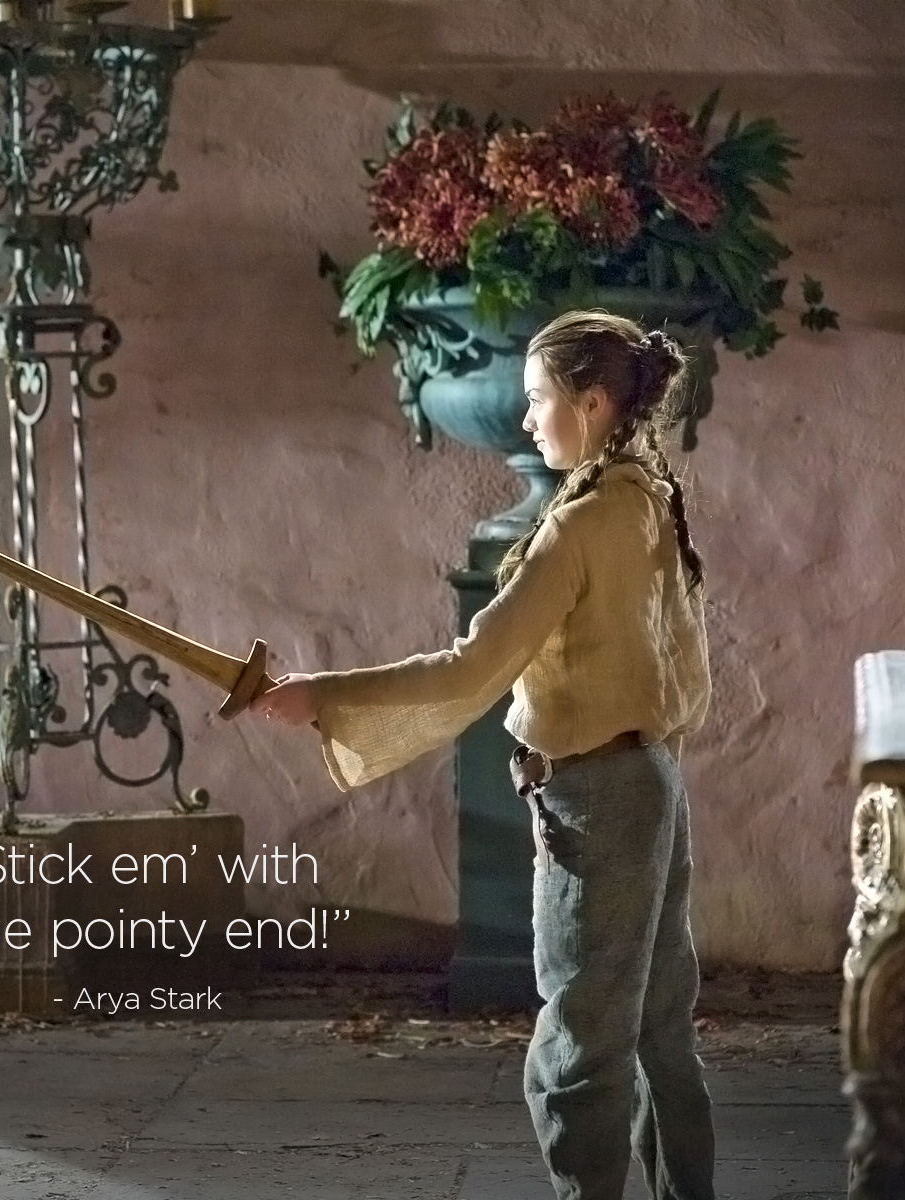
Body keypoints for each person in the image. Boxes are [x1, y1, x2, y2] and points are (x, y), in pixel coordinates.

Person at [254, 310, 715, 1200]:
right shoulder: (647, 495)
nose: (528, 420)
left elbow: (473, 667)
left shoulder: (580, 524)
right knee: (659, 1029)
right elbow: (682, 662)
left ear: (591, 403)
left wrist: (325, 696)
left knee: (581, 1041)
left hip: (600, 794)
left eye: (539, 400)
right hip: (651, 781)